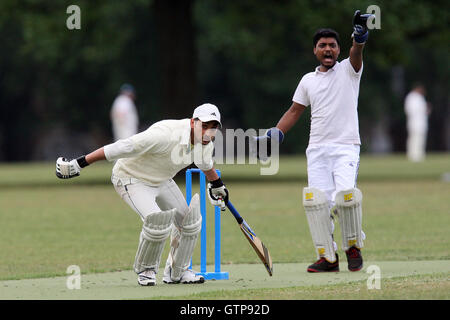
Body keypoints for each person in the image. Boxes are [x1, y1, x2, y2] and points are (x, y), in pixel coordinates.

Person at [55, 103, 229, 286]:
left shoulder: (205, 143)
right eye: (205, 125)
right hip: (131, 178)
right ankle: (147, 271)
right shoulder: (165, 134)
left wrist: (217, 185)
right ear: (194, 122)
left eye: (214, 127)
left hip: (162, 180)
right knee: (157, 221)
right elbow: (121, 147)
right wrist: (78, 164)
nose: (209, 132)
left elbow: (206, 165)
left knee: (190, 223)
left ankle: (177, 271)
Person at [255, 10, 374, 272]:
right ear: (315, 51)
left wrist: (360, 38)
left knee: (346, 198)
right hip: (317, 150)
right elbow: (295, 111)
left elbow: (356, 53)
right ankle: (327, 258)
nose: (328, 49)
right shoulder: (308, 80)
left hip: (345, 147)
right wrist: (275, 135)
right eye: (323, 46)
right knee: (317, 203)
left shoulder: (349, 70)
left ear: (339, 49)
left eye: (332, 45)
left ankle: (352, 246)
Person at [404, 84, 430, 162]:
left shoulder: (419, 97)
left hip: (420, 122)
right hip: (414, 121)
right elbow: (411, 110)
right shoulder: (412, 97)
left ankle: (418, 155)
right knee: (414, 139)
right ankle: (413, 155)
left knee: (419, 139)